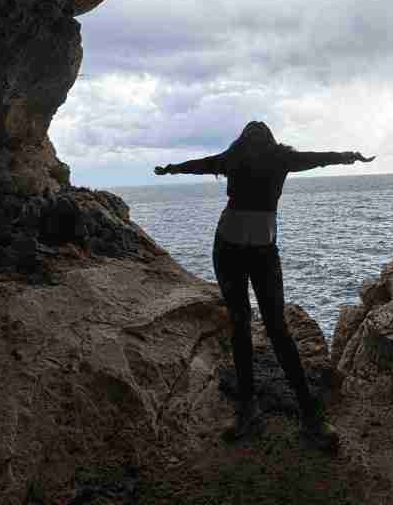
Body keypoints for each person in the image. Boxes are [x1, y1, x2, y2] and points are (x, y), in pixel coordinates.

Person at [154, 120, 374, 450]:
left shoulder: (260, 158)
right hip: (234, 249)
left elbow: (318, 158)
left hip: (247, 249)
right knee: (246, 325)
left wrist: (348, 156)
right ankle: (260, 413)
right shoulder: (256, 159)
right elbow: (200, 165)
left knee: (271, 328)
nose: (255, 136)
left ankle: (302, 416)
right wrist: (171, 169)